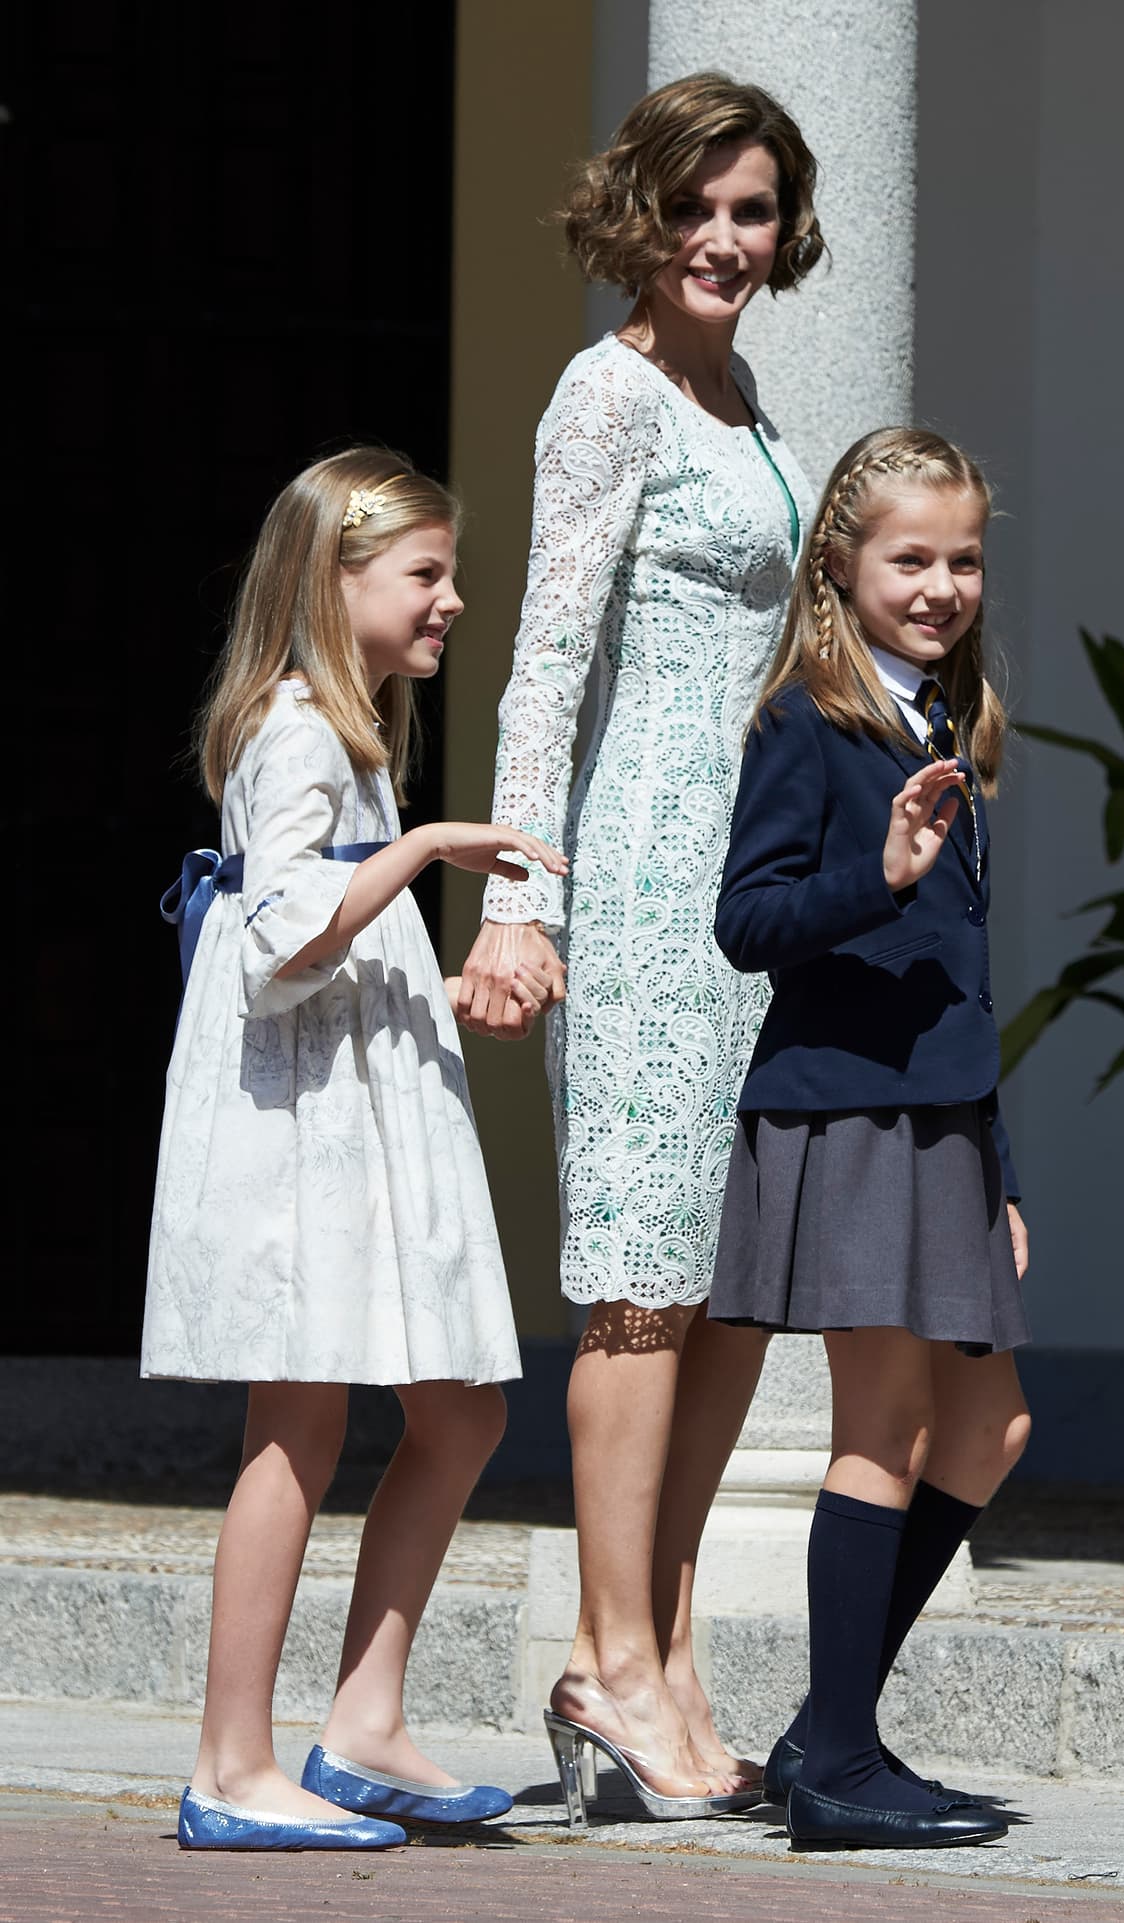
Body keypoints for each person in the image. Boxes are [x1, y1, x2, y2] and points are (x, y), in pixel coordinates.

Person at [455, 73, 824, 1822]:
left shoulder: (743, 401)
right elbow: (542, 658)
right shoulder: (606, 396)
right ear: (641, 212)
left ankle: (665, 1651)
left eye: (753, 210)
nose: (725, 241)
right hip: (653, 874)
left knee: (727, 1287)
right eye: (699, 206)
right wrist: (523, 900)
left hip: (755, 889)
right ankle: (609, 1664)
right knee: (640, 1283)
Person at [143, 448, 566, 1851]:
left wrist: (439, 992)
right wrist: (433, 847)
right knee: (299, 1420)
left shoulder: (353, 735)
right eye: (425, 576)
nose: (451, 602)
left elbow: (328, 957)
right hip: (296, 1146)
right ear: (336, 583)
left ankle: (362, 1723)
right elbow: (277, 941)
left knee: (460, 1410)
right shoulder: (299, 730)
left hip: (350, 1113)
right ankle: (228, 1763)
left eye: (453, 576)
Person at [709, 427, 1032, 1851]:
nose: (943, 583)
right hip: (850, 1111)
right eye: (912, 557)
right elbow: (749, 921)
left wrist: (1000, 1172)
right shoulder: (809, 719)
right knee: (886, 1430)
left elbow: (961, 969)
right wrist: (876, 870)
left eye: (964, 559)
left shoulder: (948, 725)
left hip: (939, 1121)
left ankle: (824, 1728)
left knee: (990, 1425)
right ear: (842, 564)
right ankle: (840, 1759)